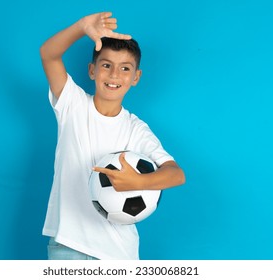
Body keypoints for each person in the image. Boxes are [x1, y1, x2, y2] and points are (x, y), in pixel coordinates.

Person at [40, 11, 186, 260]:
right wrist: (81, 27)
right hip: (68, 245)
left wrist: (139, 183)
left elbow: (176, 174)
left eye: (125, 68)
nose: (114, 75)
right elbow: (49, 54)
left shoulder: (135, 129)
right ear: (92, 70)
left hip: (119, 253)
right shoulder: (72, 105)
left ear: (135, 77)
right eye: (106, 65)